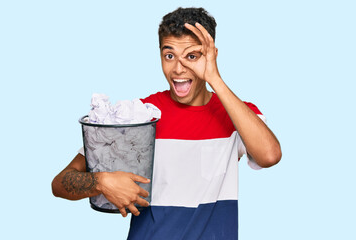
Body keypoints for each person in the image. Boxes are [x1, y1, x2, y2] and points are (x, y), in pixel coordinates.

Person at [52, 7, 281, 239]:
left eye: (192, 56)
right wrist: (100, 182)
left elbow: (270, 155)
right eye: (169, 55)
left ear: (211, 56)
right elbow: (60, 182)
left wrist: (214, 78)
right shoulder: (139, 115)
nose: (178, 69)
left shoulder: (236, 115)